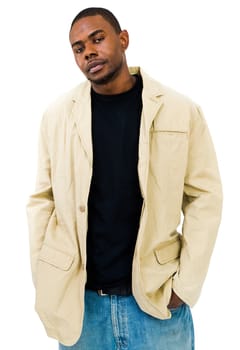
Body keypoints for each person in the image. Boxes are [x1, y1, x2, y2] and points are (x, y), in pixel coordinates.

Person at [27, 7, 222, 350]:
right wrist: (46, 277)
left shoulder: (179, 110)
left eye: (97, 39)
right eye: (78, 48)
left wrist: (186, 284)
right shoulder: (57, 116)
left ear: (123, 39)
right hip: (82, 308)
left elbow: (205, 197)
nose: (88, 51)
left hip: (156, 302)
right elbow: (43, 200)